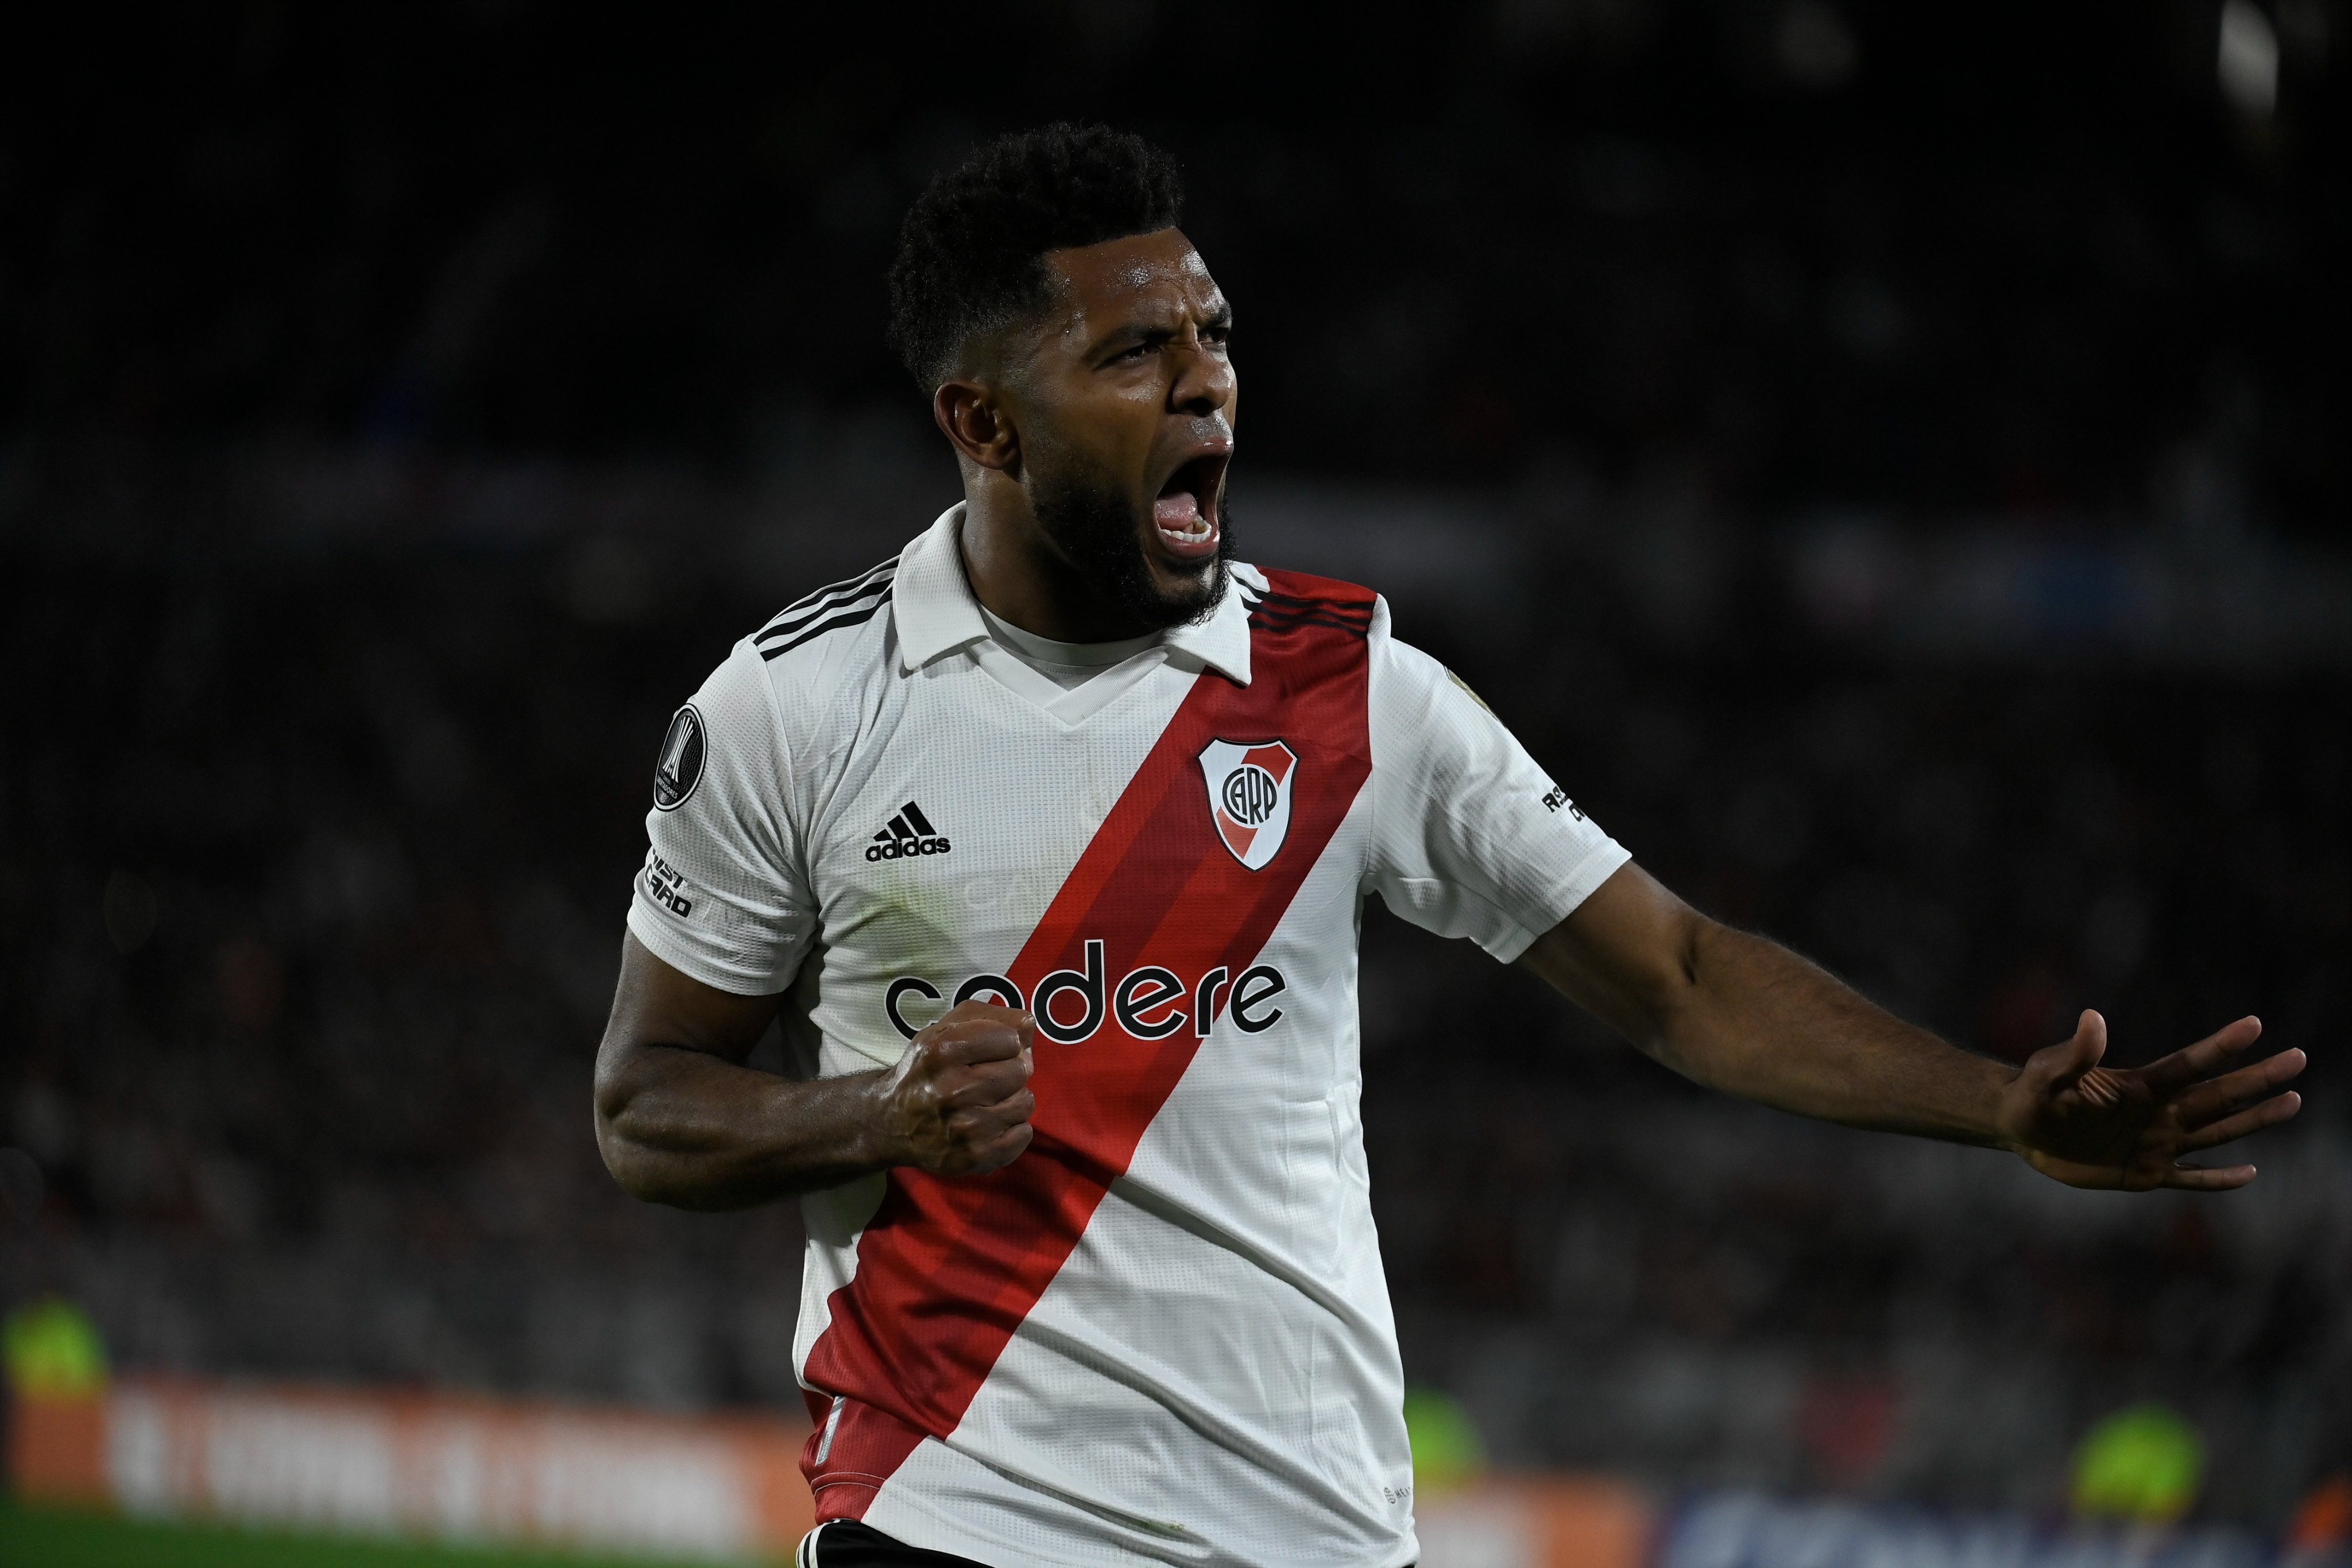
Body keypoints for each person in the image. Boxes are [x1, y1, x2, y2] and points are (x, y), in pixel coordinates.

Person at [590, 124, 2305, 1568]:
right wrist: (871, 1115)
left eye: (1215, 335)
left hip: (1314, 1530)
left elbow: (1685, 979)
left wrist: (1995, 1103)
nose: (1207, 383)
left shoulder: (1354, 695)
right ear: (984, 423)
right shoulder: (793, 707)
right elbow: (645, 1103)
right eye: (1135, 353)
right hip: (953, 1516)